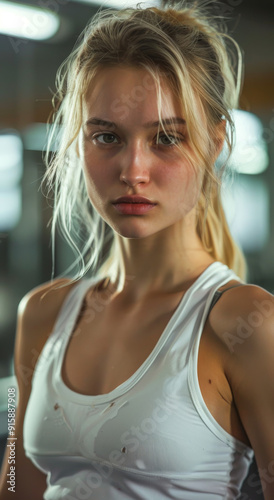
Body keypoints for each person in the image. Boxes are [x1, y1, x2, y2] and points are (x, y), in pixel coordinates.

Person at [0, 2, 274, 499]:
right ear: (78, 145)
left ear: (214, 147)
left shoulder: (247, 324)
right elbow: (17, 480)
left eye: (166, 138)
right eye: (106, 136)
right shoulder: (40, 314)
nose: (132, 170)